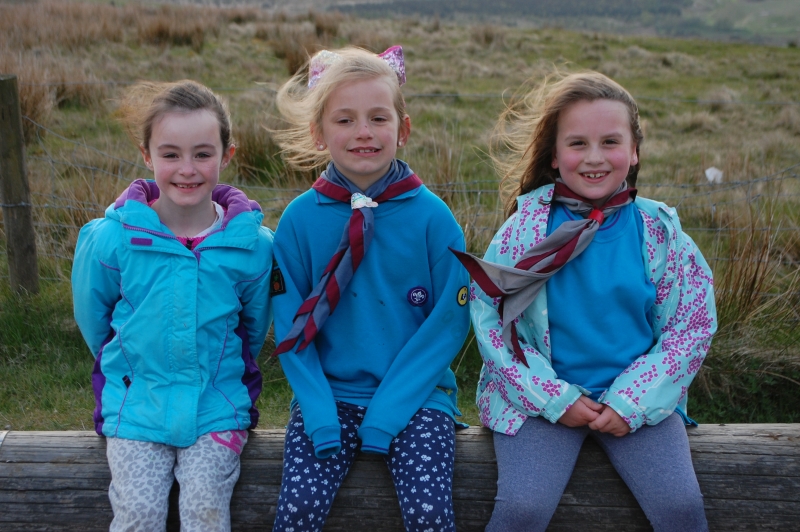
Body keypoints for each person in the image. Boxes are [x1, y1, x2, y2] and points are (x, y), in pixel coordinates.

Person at [454, 71, 716, 531]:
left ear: (634, 152)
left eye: (610, 142)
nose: (594, 158)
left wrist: (631, 403)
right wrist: (555, 400)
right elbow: (493, 323)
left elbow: (689, 328)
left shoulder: (661, 234)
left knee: (681, 508)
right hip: (541, 403)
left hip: (639, 402)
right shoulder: (524, 232)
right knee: (523, 509)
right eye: (577, 144)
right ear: (554, 156)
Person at [268, 46, 471, 532]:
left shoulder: (433, 220)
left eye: (378, 118)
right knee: (295, 512)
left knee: (430, 515)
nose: (363, 132)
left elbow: (448, 322)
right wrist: (317, 414)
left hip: (420, 398)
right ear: (319, 133)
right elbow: (289, 324)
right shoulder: (298, 221)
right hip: (329, 396)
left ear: (403, 129)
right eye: (345, 120)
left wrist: (388, 413)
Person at [71, 80, 274, 532]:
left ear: (228, 155)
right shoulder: (113, 239)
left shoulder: (252, 247)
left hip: (216, 409)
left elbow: (253, 329)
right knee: (139, 515)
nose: (187, 169)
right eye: (170, 154)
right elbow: (94, 317)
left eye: (203, 154)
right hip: (136, 409)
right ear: (147, 156)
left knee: (205, 514)